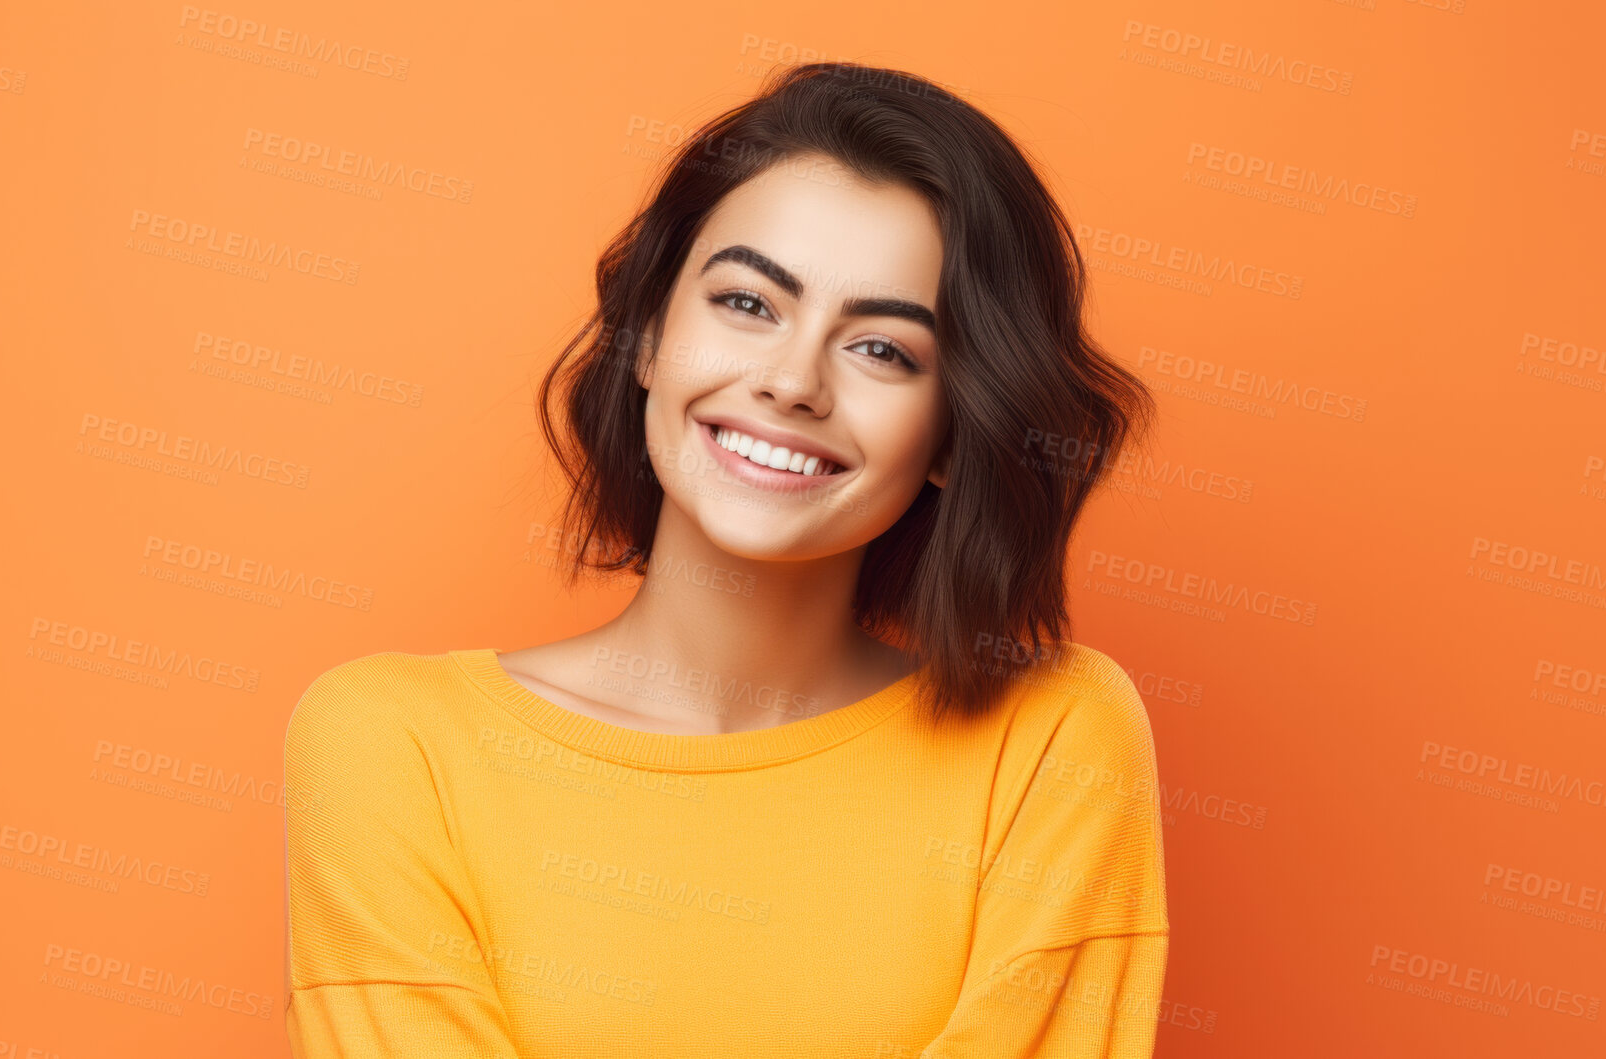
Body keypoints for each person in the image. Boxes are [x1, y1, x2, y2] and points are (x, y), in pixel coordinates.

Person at [284, 61, 1167, 1058]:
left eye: (883, 350)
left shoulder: (1051, 743)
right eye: (748, 304)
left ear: (954, 434)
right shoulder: (393, 746)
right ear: (649, 338)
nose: (792, 381)